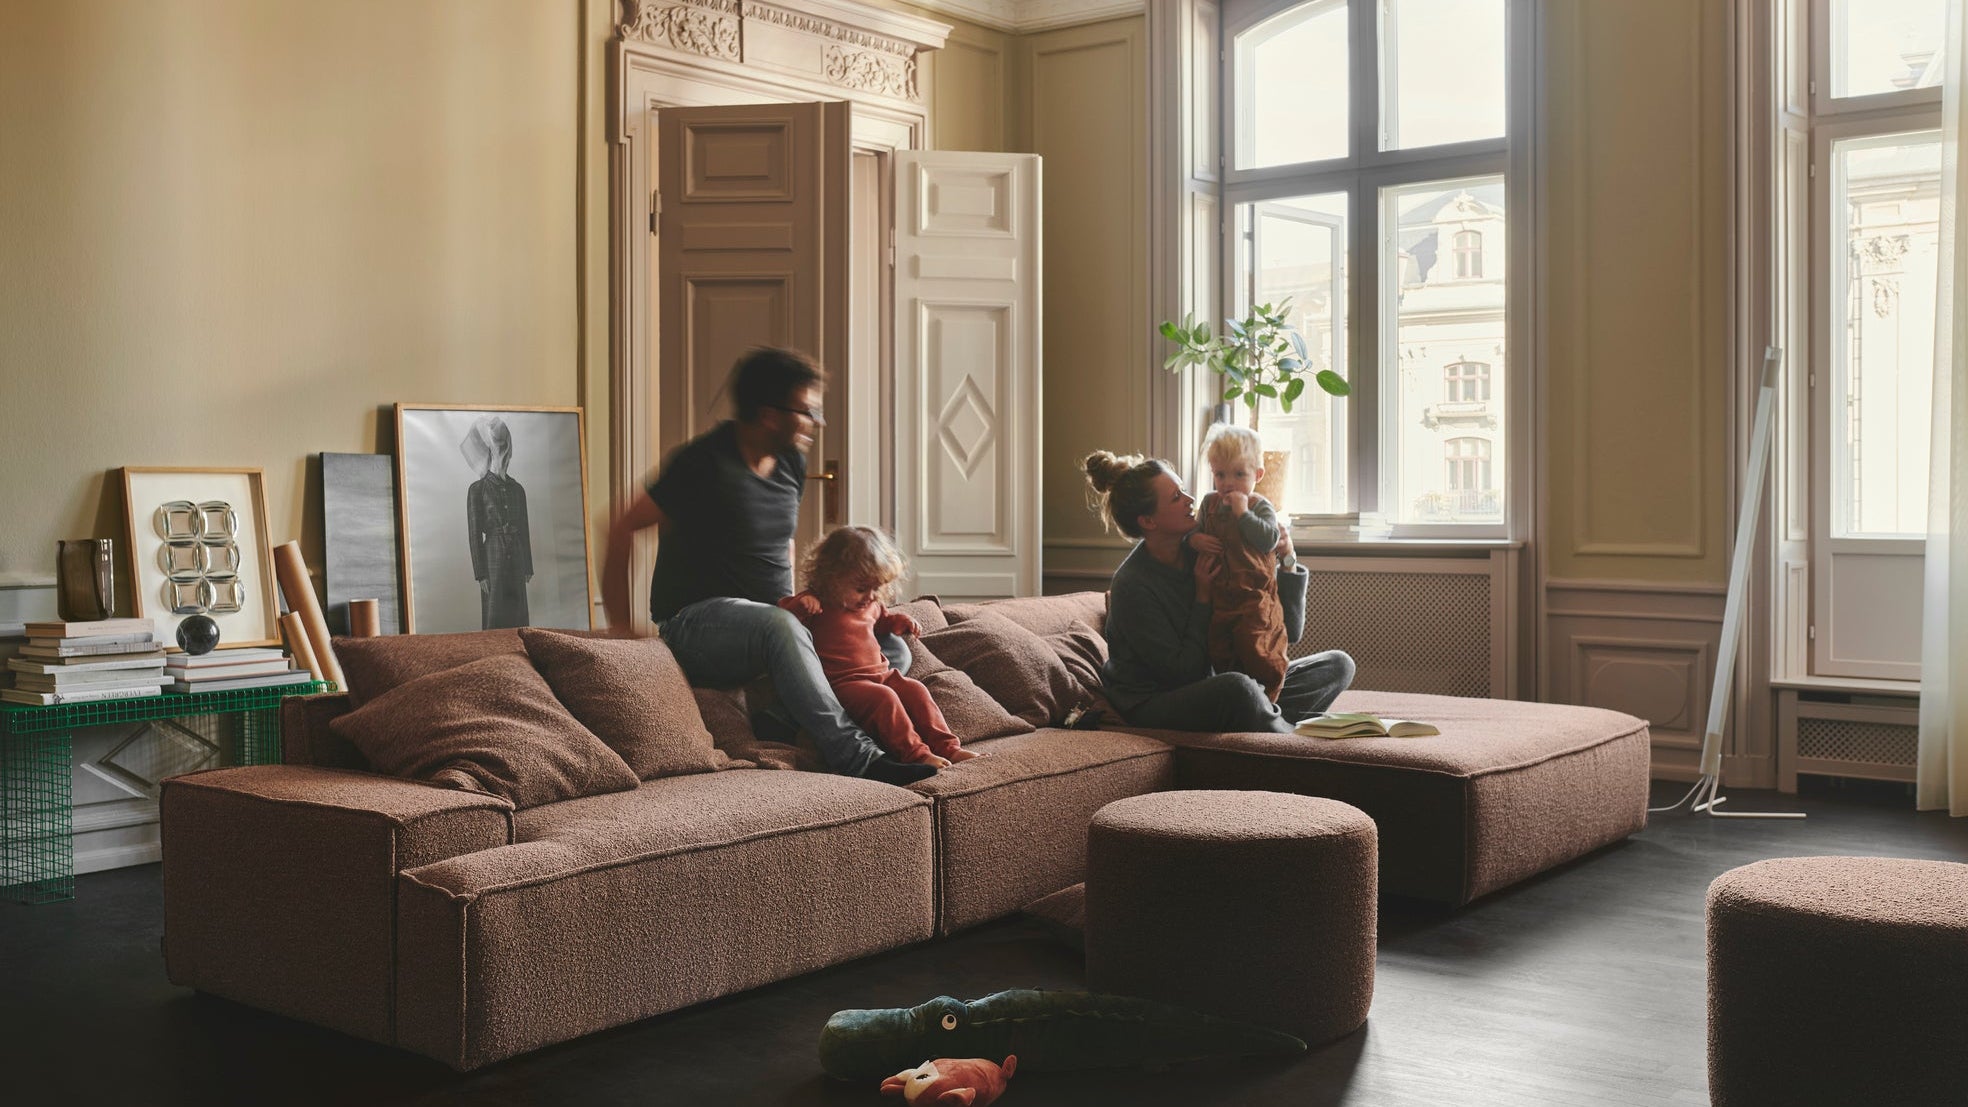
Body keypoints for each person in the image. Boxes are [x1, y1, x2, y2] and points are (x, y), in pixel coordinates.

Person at [602, 347, 936, 785]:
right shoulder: (702, 464)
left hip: (777, 621)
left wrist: (813, 606)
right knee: (779, 625)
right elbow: (620, 529)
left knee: (890, 648)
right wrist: (626, 634)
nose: (817, 423)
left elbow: (784, 544)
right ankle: (859, 758)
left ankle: (779, 716)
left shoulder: (791, 462)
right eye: (808, 412)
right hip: (697, 622)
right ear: (769, 414)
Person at [1084, 449, 1355, 733]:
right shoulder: (1132, 584)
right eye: (1177, 497)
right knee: (1238, 688)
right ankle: (1287, 735)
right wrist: (1202, 596)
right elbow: (1183, 673)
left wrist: (1288, 561)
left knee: (1336, 665)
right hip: (1155, 701)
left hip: (1215, 683)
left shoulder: (1206, 550)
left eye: (1185, 490)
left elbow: (1288, 630)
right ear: (1148, 521)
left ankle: (1264, 718)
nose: (1191, 501)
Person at [778, 525, 983, 768]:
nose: (871, 596)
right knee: (884, 699)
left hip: (883, 674)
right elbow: (780, 623)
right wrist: (801, 608)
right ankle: (916, 754)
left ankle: (949, 747)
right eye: (862, 588)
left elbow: (882, 622)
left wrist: (898, 621)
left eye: (877, 588)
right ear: (829, 577)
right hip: (843, 685)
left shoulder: (871, 606)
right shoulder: (815, 602)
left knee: (916, 690)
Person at [1193, 424, 1289, 700]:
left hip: (1254, 600)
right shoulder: (1209, 504)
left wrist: (1243, 513)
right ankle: (1235, 696)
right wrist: (1194, 540)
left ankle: (1268, 698)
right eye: (1220, 475)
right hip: (1219, 599)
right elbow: (1193, 532)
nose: (1228, 483)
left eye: (1239, 474)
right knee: (1220, 650)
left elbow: (1269, 539)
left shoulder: (1259, 505)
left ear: (1257, 475)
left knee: (1259, 650)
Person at [462, 415, 531, 629]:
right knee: (495, 614)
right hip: (493, 557)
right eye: (498, 446)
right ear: (489, 449)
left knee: (518, 615)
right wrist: (481, 573)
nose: (502, 451)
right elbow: (474, 535)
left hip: (517, 558)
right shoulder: (477, 490)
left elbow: (524, 530)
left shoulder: (518, 489)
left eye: (505, 446)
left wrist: (528, 566)